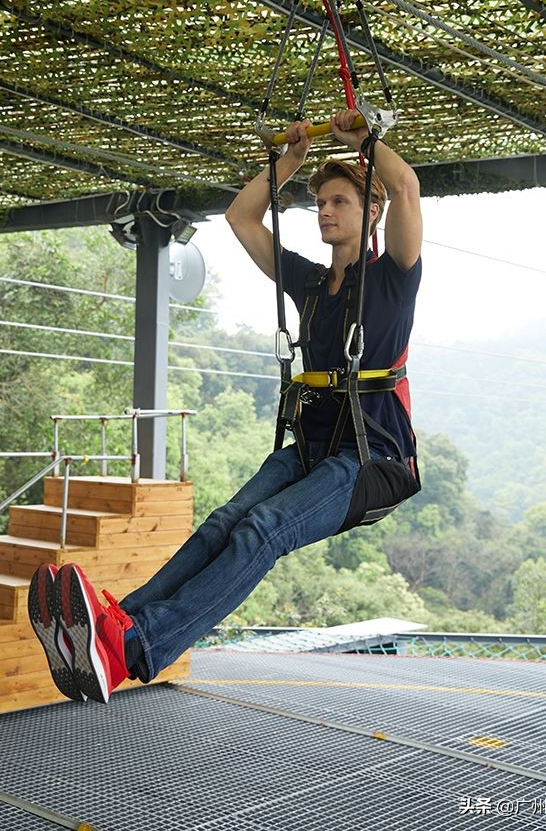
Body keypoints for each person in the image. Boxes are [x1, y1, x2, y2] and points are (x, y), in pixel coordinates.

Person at [28, 108, 423, 704]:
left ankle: (137, 647)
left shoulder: (393, 277)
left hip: (371, 457)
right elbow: (243, 218)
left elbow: (406, 188)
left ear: (370, 212)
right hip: (313, 448)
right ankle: (114, 631)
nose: (326, 211)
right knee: (221, 525)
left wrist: (365, 140)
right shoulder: (312, 282)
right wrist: (286, 164)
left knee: (262, 529)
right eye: (321, 204)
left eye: (340, 201)